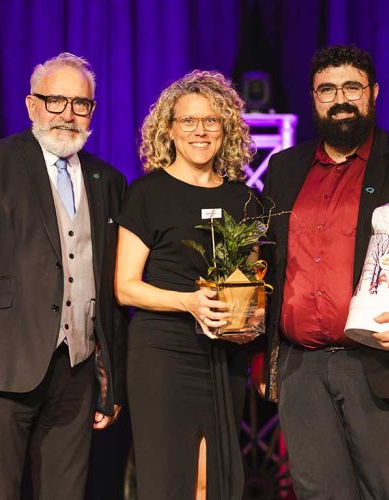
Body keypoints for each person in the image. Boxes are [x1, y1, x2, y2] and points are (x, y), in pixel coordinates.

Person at [260, 45, 389, 499]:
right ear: (313, 98)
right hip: (302, 367)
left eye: (352, 87)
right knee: (318, 493)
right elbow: (266, 255)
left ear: (373, 93)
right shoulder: (284, 166)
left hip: (380, 359)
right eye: (327, 89)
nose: (340, 99)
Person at [0, 52, 127, 499]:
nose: (68, 114)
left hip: (76, 372)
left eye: (81, 104)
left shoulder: (107, 179)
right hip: (2, 368)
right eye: (55, 100)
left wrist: (110, 380)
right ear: (31, 105)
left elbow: (109, 291)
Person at [114, 70, 259, 500]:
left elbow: (252, 280)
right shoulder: (146, 194)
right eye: (189, 121)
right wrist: (190, 303)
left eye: (211, 120)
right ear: (170, 130)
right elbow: (125, 286)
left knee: (211, 481)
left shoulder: (245, 199)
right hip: (162, 354)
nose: (201, 130)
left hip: (223, 357)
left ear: (226, 128)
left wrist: (250, 317)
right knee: (168, 480)